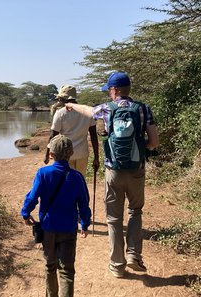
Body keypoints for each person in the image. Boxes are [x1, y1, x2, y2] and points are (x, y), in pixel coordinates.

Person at [65, 71, 159, 278]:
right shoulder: (143, 108)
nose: (109, 93)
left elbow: (88, 111)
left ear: (115, 90)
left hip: (113, 170)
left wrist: (71, 106)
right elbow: (154, 142)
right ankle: (134, 255)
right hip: (136, 169)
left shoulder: (107, 109)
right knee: (135, 211)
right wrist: (138, 146)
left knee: (114, 218)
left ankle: (117, 265)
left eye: (109, 90)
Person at [21, 134, 91, 297]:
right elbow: (84, 204)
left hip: (48, 228)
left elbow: (33, 197)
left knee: (50, 266)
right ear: (71, 153)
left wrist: (25, 213)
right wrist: (85, 224)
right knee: (66, 271)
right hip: (68, 229)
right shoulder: (77, 177)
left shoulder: (43, 173)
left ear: (51, 154)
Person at [44, 84, 99, 178]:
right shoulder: (88, 112)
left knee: (66, 183)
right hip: (82, 153)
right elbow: (94, 136)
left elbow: (53, 135)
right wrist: (96, 158)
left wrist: (47, 154)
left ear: (64, 99)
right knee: (80, 180)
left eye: (60, 99)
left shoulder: (60, 113)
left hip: (64, 154)